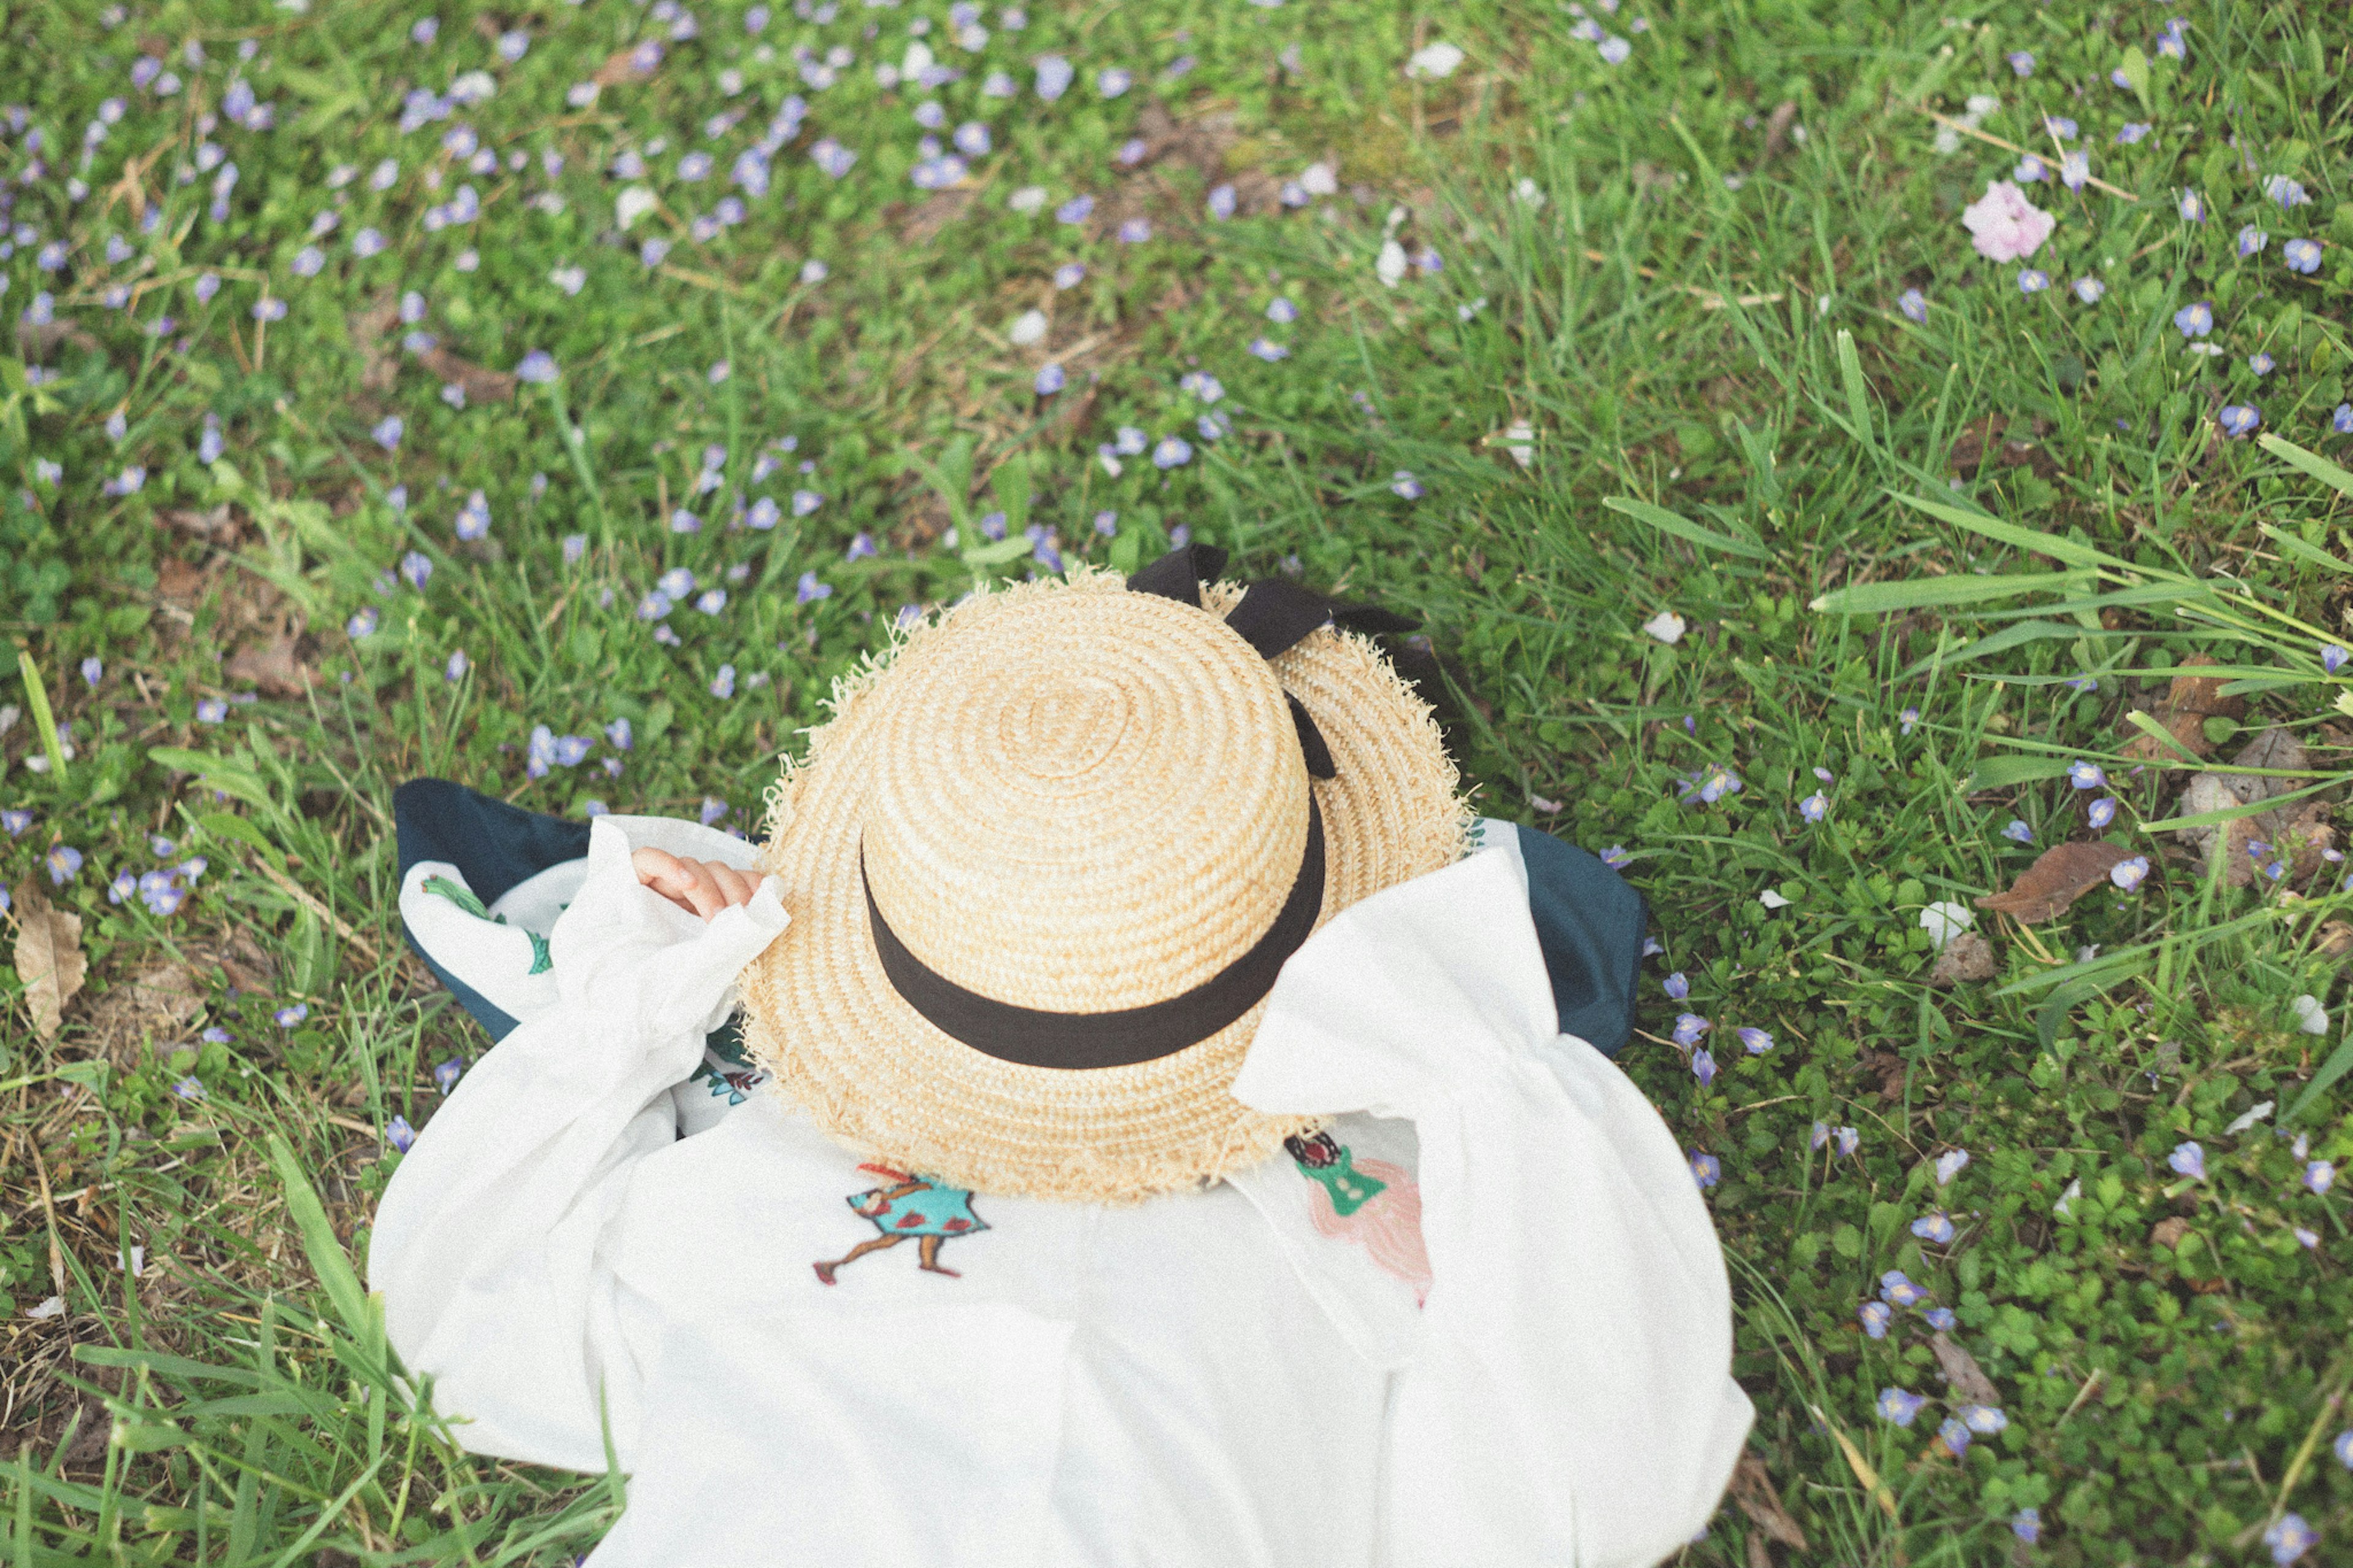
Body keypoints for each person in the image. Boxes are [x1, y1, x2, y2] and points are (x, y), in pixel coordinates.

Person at [371, 547, 1752, 1567]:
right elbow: (1583, 1485)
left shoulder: (1385, 1177)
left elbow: (460, 1316)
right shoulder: (1407, 1155)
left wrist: (629, 1019)